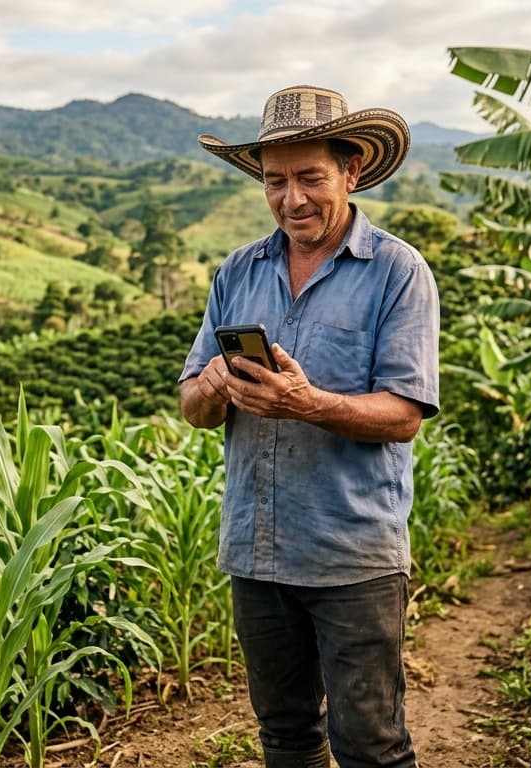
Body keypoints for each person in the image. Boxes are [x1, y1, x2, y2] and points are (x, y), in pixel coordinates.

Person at [178, 85, 439, 768]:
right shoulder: (238, 271)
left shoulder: (397, 272)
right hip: (255, 550)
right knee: (286, 736)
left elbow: (405, 416)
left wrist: (308, 402)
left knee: (370, 743)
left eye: (309, 178)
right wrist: (213, 385)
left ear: (352, 172)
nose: (291, 198)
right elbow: (193, 409)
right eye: (275, 180)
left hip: (352, 554)